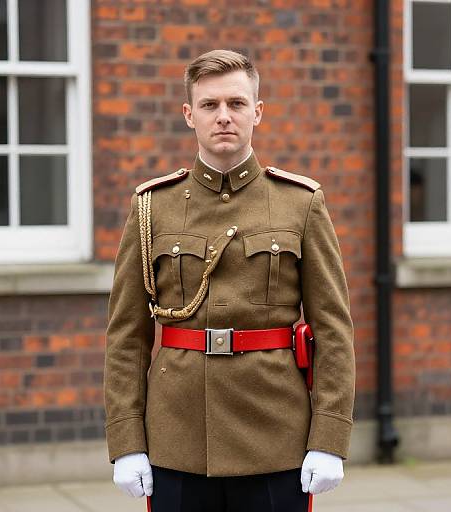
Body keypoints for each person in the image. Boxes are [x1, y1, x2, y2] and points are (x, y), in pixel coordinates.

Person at [104, 49, 356, 512]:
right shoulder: (151, 208)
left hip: (275, 435)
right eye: (209, 105)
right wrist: (126, 438)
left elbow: (334, 331)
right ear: (189, 115)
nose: (224, 117)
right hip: (176, 436)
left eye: (237, 104)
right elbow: (126, 336)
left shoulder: (300, 204)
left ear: (257, 112)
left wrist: (330, 436)